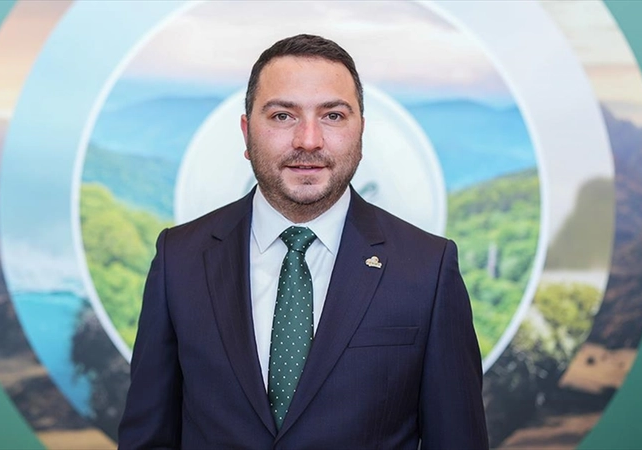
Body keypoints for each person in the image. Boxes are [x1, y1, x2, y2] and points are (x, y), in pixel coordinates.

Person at [118, 34, 488, 449]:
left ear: (361, 133)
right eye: (282, 116)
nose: (308, 140)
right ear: (246, 133)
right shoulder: (179, 259)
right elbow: (148, 438)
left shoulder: (428, 269)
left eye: (333, 116)